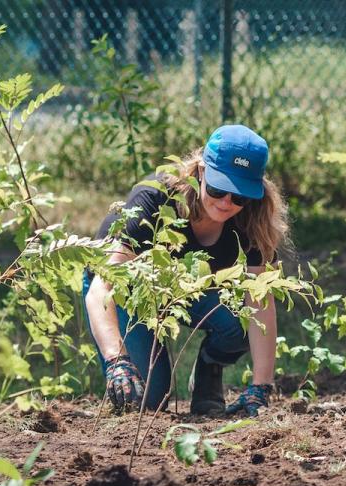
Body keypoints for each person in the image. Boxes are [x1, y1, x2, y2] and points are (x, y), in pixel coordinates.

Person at [82, 124, 287, 417]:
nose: (227, 202)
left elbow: (261, 302)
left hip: (186, 290)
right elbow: (103, 289)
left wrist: (260, 387)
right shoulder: (155, 199)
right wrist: (118, 362)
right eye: (218, 189)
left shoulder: (255, 219)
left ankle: (209, 368)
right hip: (126, 292)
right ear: (201, 170)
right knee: (147, 402)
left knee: (240, 319)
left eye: (239, 195)